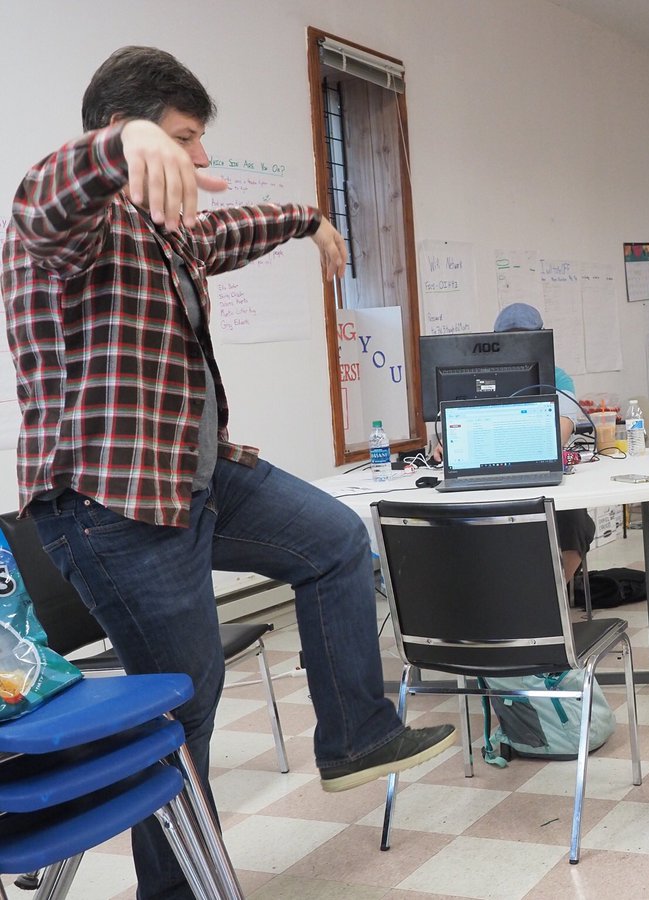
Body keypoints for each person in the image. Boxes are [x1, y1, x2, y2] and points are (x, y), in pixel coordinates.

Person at [1, 46, 454, 899]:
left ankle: (356, 735)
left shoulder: (164, 230)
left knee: (334, 541)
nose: (200, 156)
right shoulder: (62, 235)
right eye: (183, 138)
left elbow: (227, 232)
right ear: (124, 132)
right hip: (111, 507)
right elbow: (42, 198)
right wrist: (119, 146)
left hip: (196, 480)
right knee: (184, 702)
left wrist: (310, 220)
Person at [492, 302, 596, 583]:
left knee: (573, 521)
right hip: (491, 474)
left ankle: (551, 596)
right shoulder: (481, 377)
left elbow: (562, 431)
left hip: (540, 472)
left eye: (526, 338)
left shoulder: (558, 378)